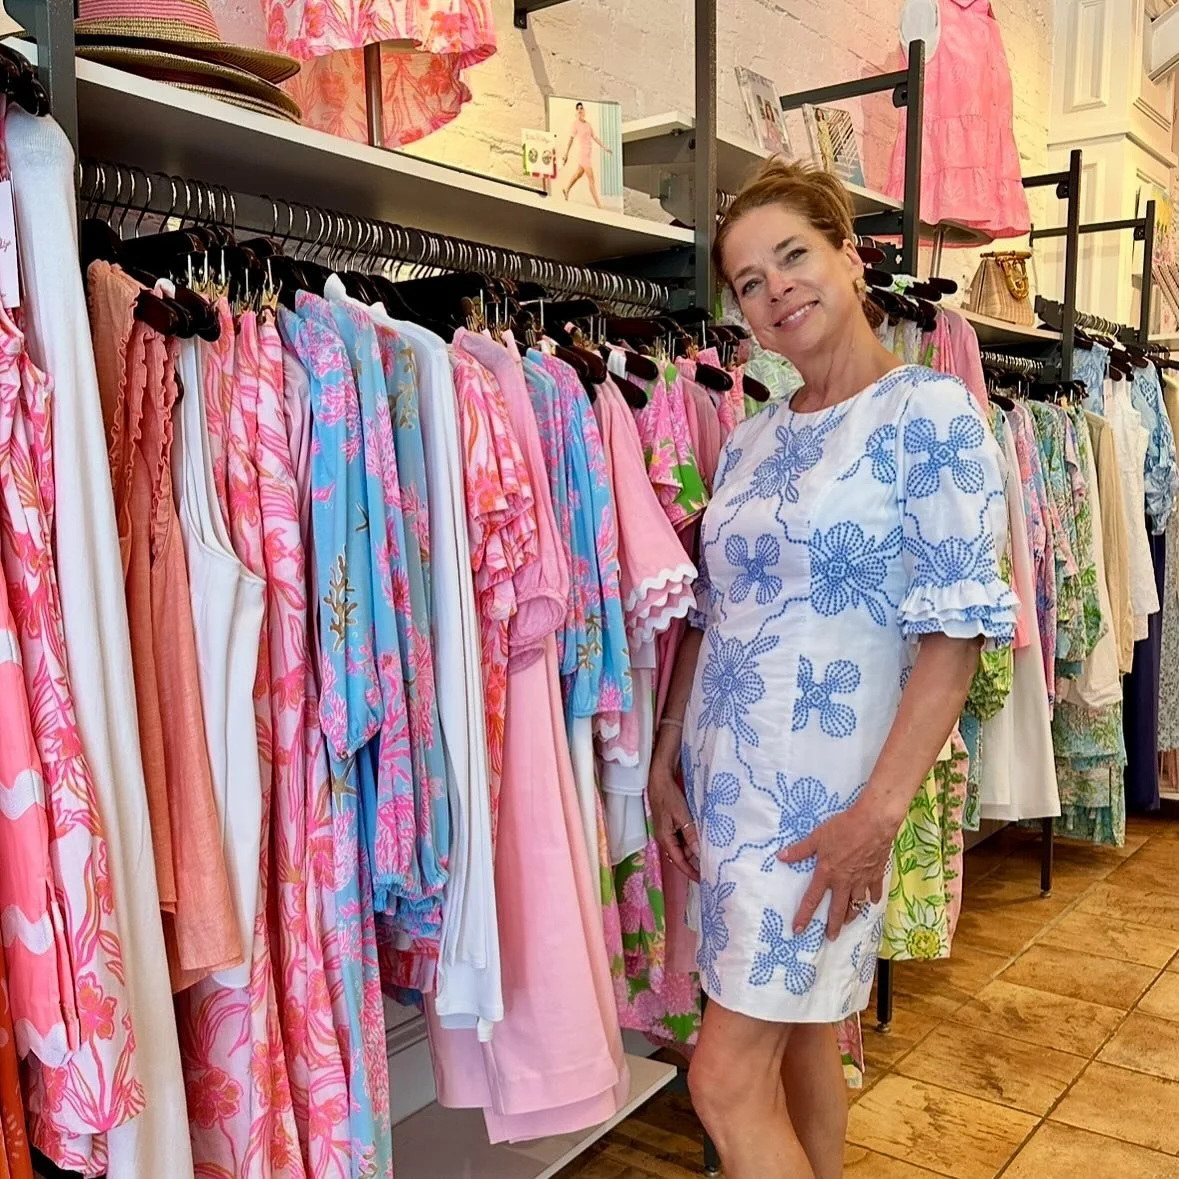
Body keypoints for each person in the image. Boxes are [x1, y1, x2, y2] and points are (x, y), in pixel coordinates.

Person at [648, 157, 1017, 1179]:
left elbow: (955, 632)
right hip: (728, 793)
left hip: (828, 804)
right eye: (749, 281)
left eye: (793, 256)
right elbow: (716, 612)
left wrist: (876, 818)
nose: (776, 290)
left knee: (723, 1080)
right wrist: (668, 754)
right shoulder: (750, 438)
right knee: (804, 1036)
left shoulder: (928, 413)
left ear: (851, 257)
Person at [561, 101, 612, 208]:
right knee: (591, 179)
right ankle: (598, 204)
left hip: (588, 154)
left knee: (578, 174)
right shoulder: (576, 124)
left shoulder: (588, 125)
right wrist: (566, 153)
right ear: (576, 112)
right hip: (583, 155)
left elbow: (595, 137)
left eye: (581, 108)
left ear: (584, 111)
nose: (580, 110)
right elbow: (571, 139)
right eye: (578, 109)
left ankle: (566, 189)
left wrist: (605, 148)